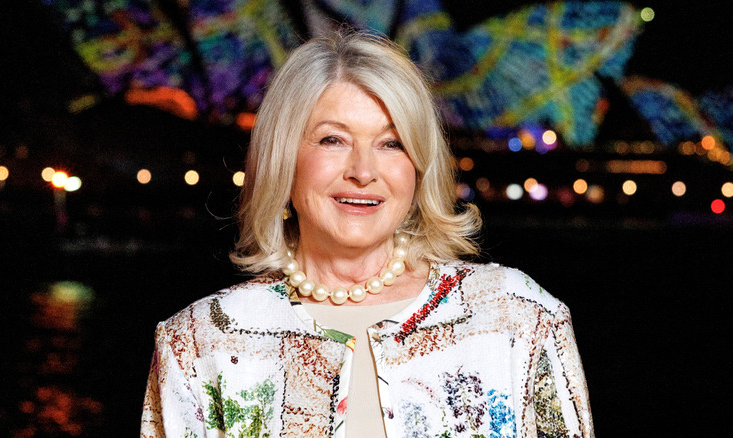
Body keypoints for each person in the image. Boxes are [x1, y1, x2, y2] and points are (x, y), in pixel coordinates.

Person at [140, 30, 593, 438]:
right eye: (332, 140)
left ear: (417, 166)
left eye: (391, 143)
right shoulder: (199, 342)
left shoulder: (518, 316)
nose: (362, 171)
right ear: (284, 158)